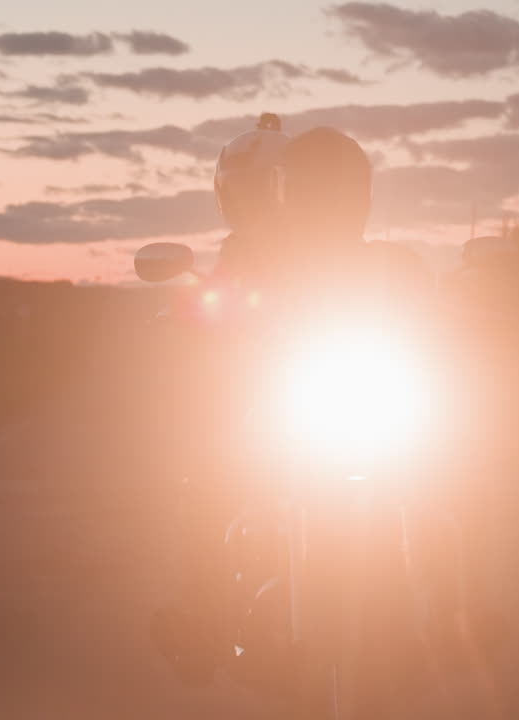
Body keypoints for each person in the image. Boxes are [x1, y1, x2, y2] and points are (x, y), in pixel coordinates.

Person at [150, 117, 486, 687]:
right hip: (277, 410)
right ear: (291, 193)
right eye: (314, 188)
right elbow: (212, 310)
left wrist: (469, 312)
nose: (331, 201)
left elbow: (439, 319)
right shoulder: (253, 260)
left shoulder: (396, 265)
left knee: (446, 482)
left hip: (371, 407)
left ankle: (458, 621)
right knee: (209, 479)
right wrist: (191, 321)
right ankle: (201, 623)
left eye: (343, 188)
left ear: (363, 195)